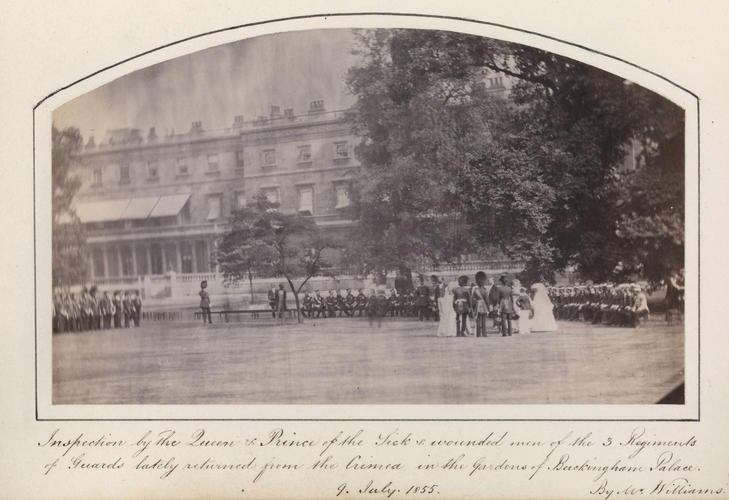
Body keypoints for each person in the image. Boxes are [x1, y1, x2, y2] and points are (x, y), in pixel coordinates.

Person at [471, 271, 490, 337]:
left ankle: (478, 334)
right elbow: (487, 300)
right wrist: (488, 308)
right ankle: (484, 334)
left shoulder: (475, 290)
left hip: (477, 305)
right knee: (484, 320)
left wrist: (473, 307)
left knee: (478, 320)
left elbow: (473, 299)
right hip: (484, 305)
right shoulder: (485, 290)